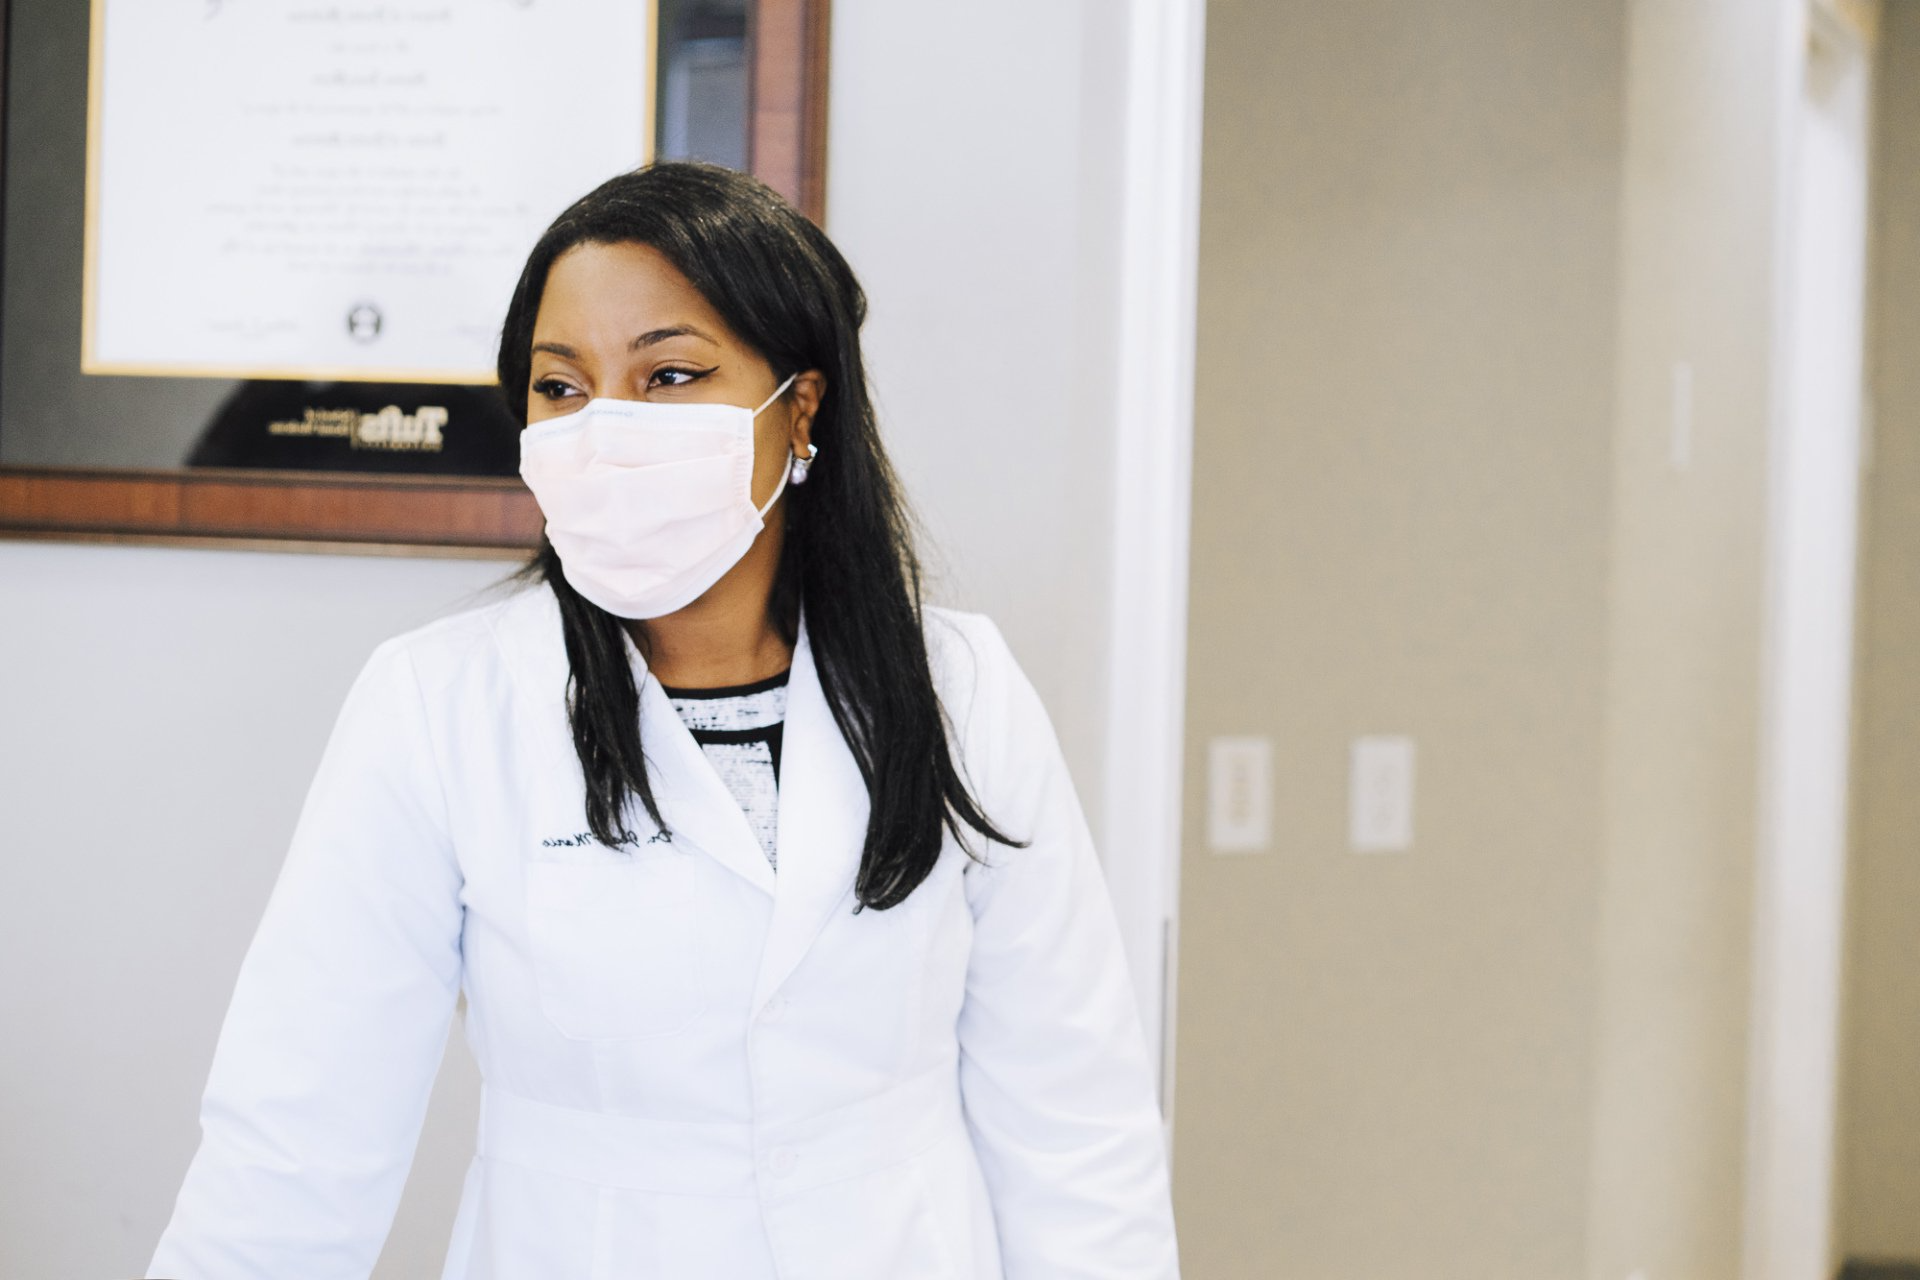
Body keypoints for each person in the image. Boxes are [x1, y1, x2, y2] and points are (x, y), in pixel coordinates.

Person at [147, 161, 1180, 1279]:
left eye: (671, 374)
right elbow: (297, 1140)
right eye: (562, 387)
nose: (606, 429)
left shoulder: (958, 685)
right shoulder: (441, 705)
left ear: (800, 408)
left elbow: (1074, 1128)